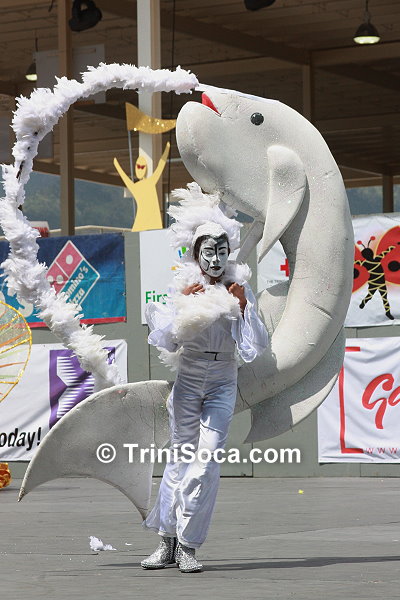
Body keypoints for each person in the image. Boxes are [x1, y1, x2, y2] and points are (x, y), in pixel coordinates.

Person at [140, 184, 268, 573]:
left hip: (223, 378)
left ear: (229, 253)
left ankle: (189, 544)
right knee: (180, 458)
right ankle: (166, 542)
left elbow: (255, 346)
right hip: (190, 376)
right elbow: (166, 338)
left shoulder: (238, 288)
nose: (215, 258)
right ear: (196, 255)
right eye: (208, 252)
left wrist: (243, 307)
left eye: (221, 250)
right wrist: (186, 305)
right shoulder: (185, 287)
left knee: (207, 461)